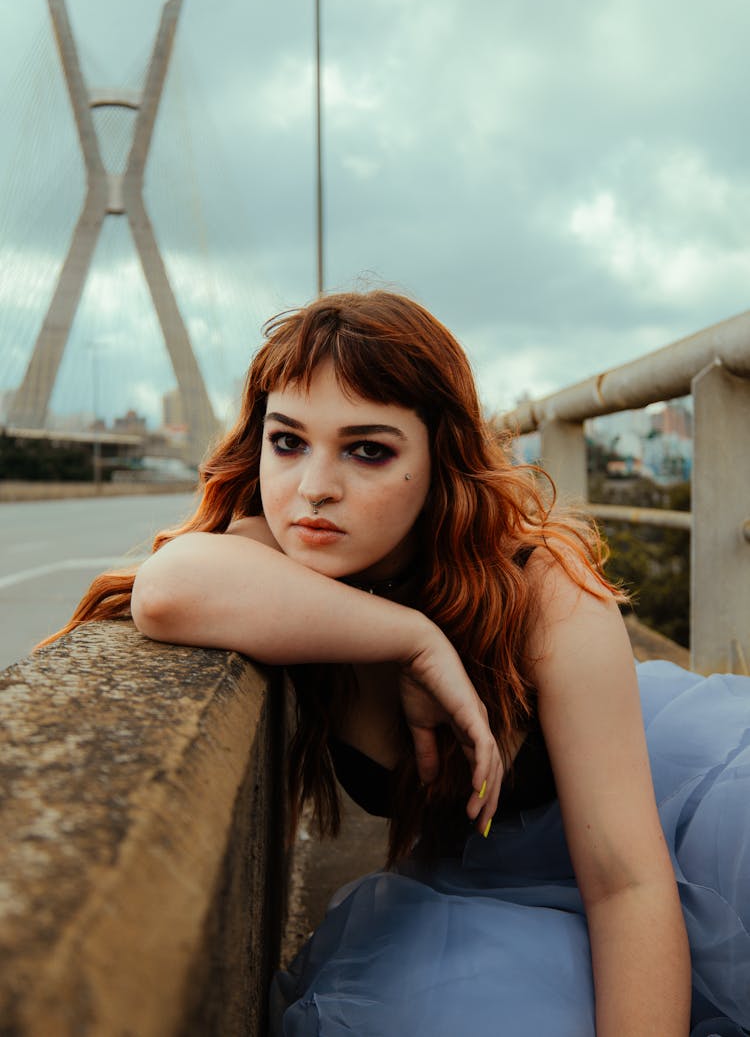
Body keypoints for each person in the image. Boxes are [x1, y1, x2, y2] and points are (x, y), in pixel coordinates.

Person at [55, 290, 749, 1036]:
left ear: (439, 459)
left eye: (368, 450)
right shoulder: (286, 550)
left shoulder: (545, 589)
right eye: (288, 441)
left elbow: (628, 886)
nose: (315, 486)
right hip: (493, 905)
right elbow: (165, 589)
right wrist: (412, 635)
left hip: (659, 833)